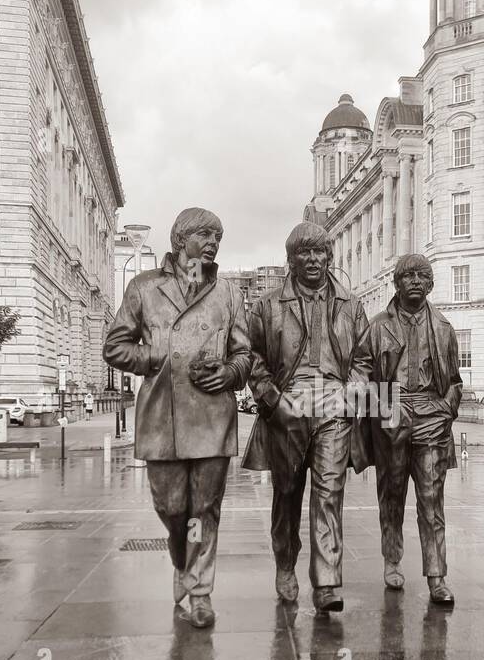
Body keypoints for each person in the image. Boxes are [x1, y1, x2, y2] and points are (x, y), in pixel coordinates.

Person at [103, 207, 251, 628]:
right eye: (204, 234)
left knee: (205, 509)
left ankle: (200, 591)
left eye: (218, 237)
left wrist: (229, 372)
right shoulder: (143, 287)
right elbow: (115, 347)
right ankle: (181, 561)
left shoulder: (227, 293)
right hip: (162, 418)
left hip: (211, 417)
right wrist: (153, 357)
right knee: (171, 508)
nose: (212, 243)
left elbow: (245, 353)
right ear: (179, 239)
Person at [241, 222, 368, 612]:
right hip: (287, 405)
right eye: (304, 252)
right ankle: (285, 561)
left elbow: (364, 360)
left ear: (330, 256)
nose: (313, 259)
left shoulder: (351, 304)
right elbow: (253, 359)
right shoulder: (267, 304)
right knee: (287, 493)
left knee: (329, 493)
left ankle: (328, 582)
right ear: (290, 259)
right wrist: (272, 400)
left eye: (319, 252)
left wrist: (351, 393)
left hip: (333, 405)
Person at [352, 254, 463, 605]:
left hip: (431, 415)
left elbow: (455, 381)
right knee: (392, 495)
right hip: (391, 413)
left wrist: (447, 408)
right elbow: (359, 372)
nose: (415, 281)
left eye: (422, 275)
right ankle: (392, 558)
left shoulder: (444, 327)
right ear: (396, 283)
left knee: (431, 500)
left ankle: (436, 575)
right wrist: (381, 407)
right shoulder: (377, 326)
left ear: (430, 284)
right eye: (408, 275)